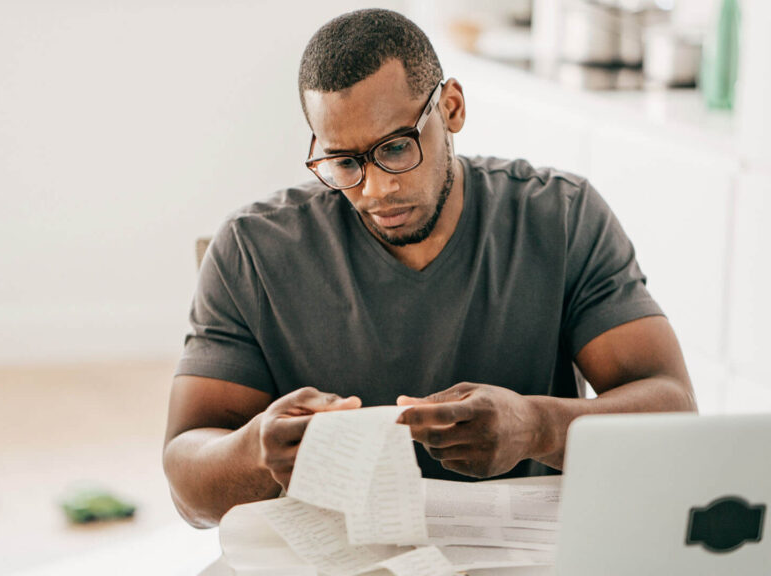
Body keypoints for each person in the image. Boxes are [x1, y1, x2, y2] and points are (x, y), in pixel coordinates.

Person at [162, 8, 696, 529]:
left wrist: (538, 427)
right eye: (345, 162)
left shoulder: (561, 217)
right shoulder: (252, 250)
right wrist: (257, 454)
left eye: (396, 147)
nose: (376, 189)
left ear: (452, 108)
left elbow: (674, 416)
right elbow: (189, 490)